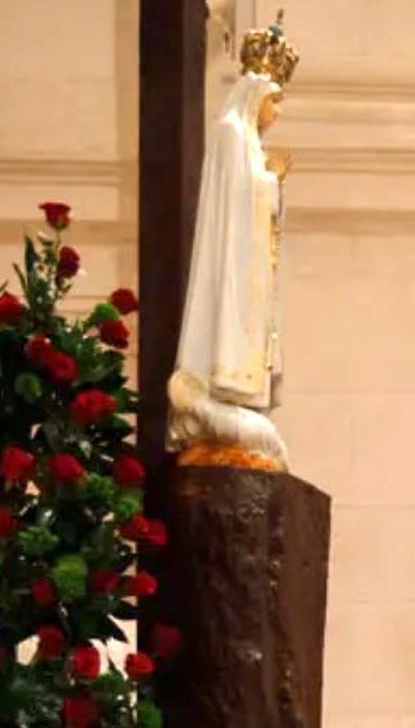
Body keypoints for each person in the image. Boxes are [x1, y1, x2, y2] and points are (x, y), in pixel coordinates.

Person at [167, 14, 299, 470]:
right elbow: (234, 202)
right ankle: (214, 396)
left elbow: (255, 199)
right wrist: (268, 182)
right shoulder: (229, 134)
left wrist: (271, 184)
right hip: (232, 261)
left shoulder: (248, 144)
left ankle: (238, 410)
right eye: (274, 101)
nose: (276, 112)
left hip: (250, 267)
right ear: (256, 94)